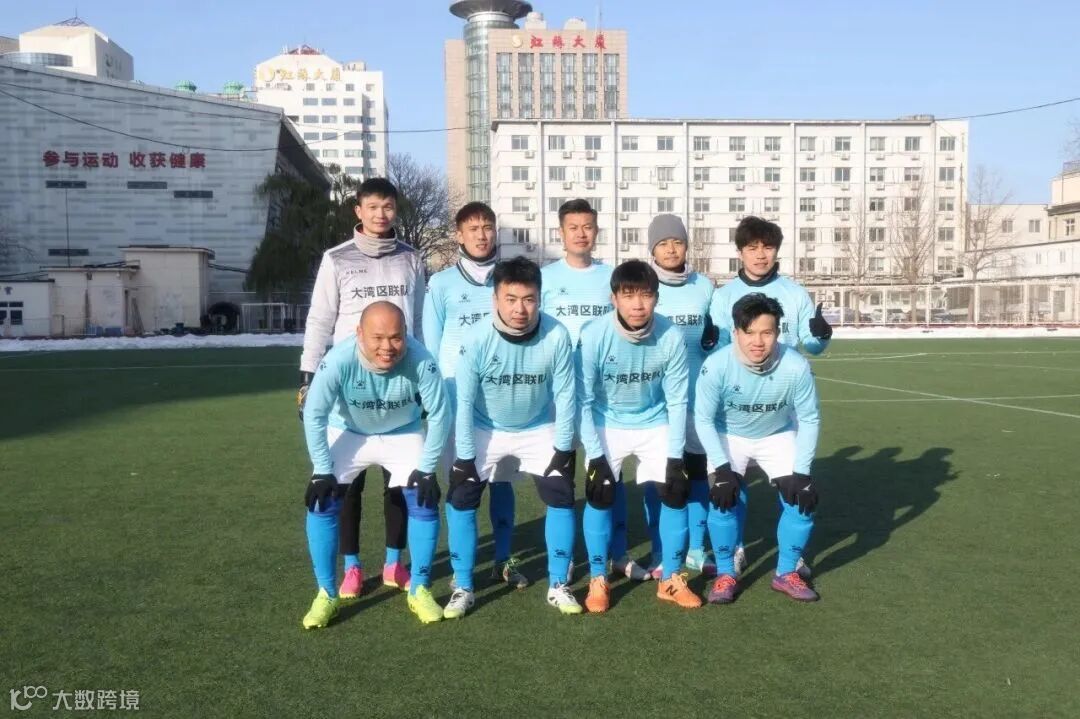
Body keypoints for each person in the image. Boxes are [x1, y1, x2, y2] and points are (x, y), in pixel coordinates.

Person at [298, 178, 425, 601]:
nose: (380, 214)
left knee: (399, 481)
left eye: (387, 206)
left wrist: (426, 374)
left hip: (400, 377)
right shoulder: (337, 258)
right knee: (346, 484)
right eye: (372, 207)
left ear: (395, 210)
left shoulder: (411, 258)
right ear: (358, 211)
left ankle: (393, 562)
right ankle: (351, 566)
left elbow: (417, 321)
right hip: (349, 382)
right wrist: (308, 375)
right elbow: (320, 319)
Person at [300, 302, 450, 628]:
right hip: (350, 432)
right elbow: (314, 414)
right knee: (321, 501)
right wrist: (322, 469)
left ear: (406, 335)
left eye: (396, 337)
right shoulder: (339, 359)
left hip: (402, 432)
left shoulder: (421, 360)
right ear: (359, 334)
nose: (387, 347)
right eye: (378, 338)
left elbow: (441, 414)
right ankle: (326, 594)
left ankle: (420, 589)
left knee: (424, 499)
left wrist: (427, 467)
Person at [445, 257, 580, 618]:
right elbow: (463, 401)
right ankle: (463, 585)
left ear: (539, 298)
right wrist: (465, 456)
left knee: (562, 493)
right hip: (484, 426)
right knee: (462, 495)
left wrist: (563, 449)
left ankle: (558, 584)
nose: (520, 309)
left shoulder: (556, 335)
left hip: (536, 426)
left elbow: (566, 396)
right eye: (511, 299)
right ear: (495, 299)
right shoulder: (477, 338)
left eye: (529, 299)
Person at [709, 216, 831, 575]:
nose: (760, 254)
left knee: (793, 484)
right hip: (736, 406)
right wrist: (710, 341)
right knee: (732, 483)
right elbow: (719, 348)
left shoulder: (795, 293)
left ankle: (791, 555)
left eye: (767, 247)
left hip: (783, 405)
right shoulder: (724, 296)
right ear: (740, 252)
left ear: (777, 250)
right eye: (752, 247)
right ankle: (735, 548)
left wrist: (821, 336)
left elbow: (811, 344)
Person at [577, 259, 699, 613]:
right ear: (614, 298)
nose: (637, 304)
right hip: (607, 421)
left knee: (675, 491)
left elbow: (677, 400)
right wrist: (595, 455)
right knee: (599, 493)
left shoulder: (671, 335)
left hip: (654, 420)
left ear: (656, 298)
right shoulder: (594, 335)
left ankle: (670, 579)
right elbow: (583, 401)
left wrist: (675, 457)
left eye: (645, 295)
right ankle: (598, 578)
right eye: (628, 295)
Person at [541, 200, 650, 582]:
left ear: (596, 231)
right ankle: (566, 556)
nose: (581, 233)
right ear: (561, 232)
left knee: (609, 472)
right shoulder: (546, 278)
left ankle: (616, 554)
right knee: (562, 474)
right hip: (556, 392)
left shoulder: (610, 277)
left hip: (602, 393)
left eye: (587, 226)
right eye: (573, 227)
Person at [422, 202, 528, 589]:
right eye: (473, 228)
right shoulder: (441, 284)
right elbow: (431, 347)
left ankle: (503, 559)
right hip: (457, 401)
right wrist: (434, 398)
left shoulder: (510, 281)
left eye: (488, 227)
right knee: (462, 485)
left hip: (503, 399)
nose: (482, 235)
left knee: (502, 481)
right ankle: (461, 569)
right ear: (459, 235)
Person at [694, 293, 822, 604]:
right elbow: (703, 419)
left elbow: (809, 418)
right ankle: (726, 573)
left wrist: (802, 472)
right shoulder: (716, 365)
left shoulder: (796, 365)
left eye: (767, 332)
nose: (758, 341)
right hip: (729, 435)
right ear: (735, 332)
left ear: (778, 332)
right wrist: (721, 468)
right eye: (749, 332)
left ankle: (786, 572)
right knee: (722, 499)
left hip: (777, 435)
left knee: (802, 500)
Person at [611, 214, 718, 580]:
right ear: (652, 249)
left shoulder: (704, 286)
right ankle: (660, 548)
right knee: (660, 477)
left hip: (697, 395)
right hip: (656, 400)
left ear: (687, 246)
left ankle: (696, 549)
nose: (671, 249)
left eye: (677, 242)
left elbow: (717, 334)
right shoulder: (643, 287)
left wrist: (714, 338)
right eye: (663, 243)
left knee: (698, 472)